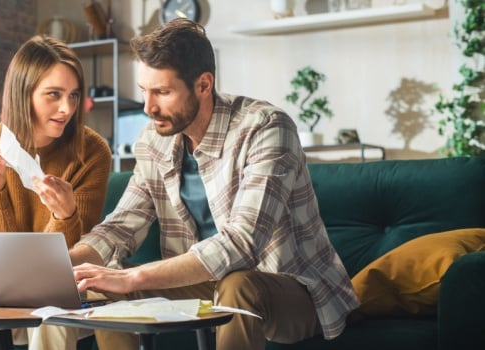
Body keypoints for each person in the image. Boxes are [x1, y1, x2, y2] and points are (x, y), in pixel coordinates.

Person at [70, 19, 359, 350]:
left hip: (294, 291)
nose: (149, 108)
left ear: (204, 85)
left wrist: (135, 276)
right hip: (206, 285)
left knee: (238, 286)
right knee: (108, 287)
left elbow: (242, 243)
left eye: (162, 92)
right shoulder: (154, 140)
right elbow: (121, 227)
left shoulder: (265, 128)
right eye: (144, 91)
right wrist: (67, 264)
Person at [0, 35, 111, 350]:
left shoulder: (93, 151)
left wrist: (65, 215)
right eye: (53, 94)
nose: (66, 108)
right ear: (22, 93)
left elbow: (66, 263)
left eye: (74, 95)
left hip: (64, 288)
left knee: (50, 311)